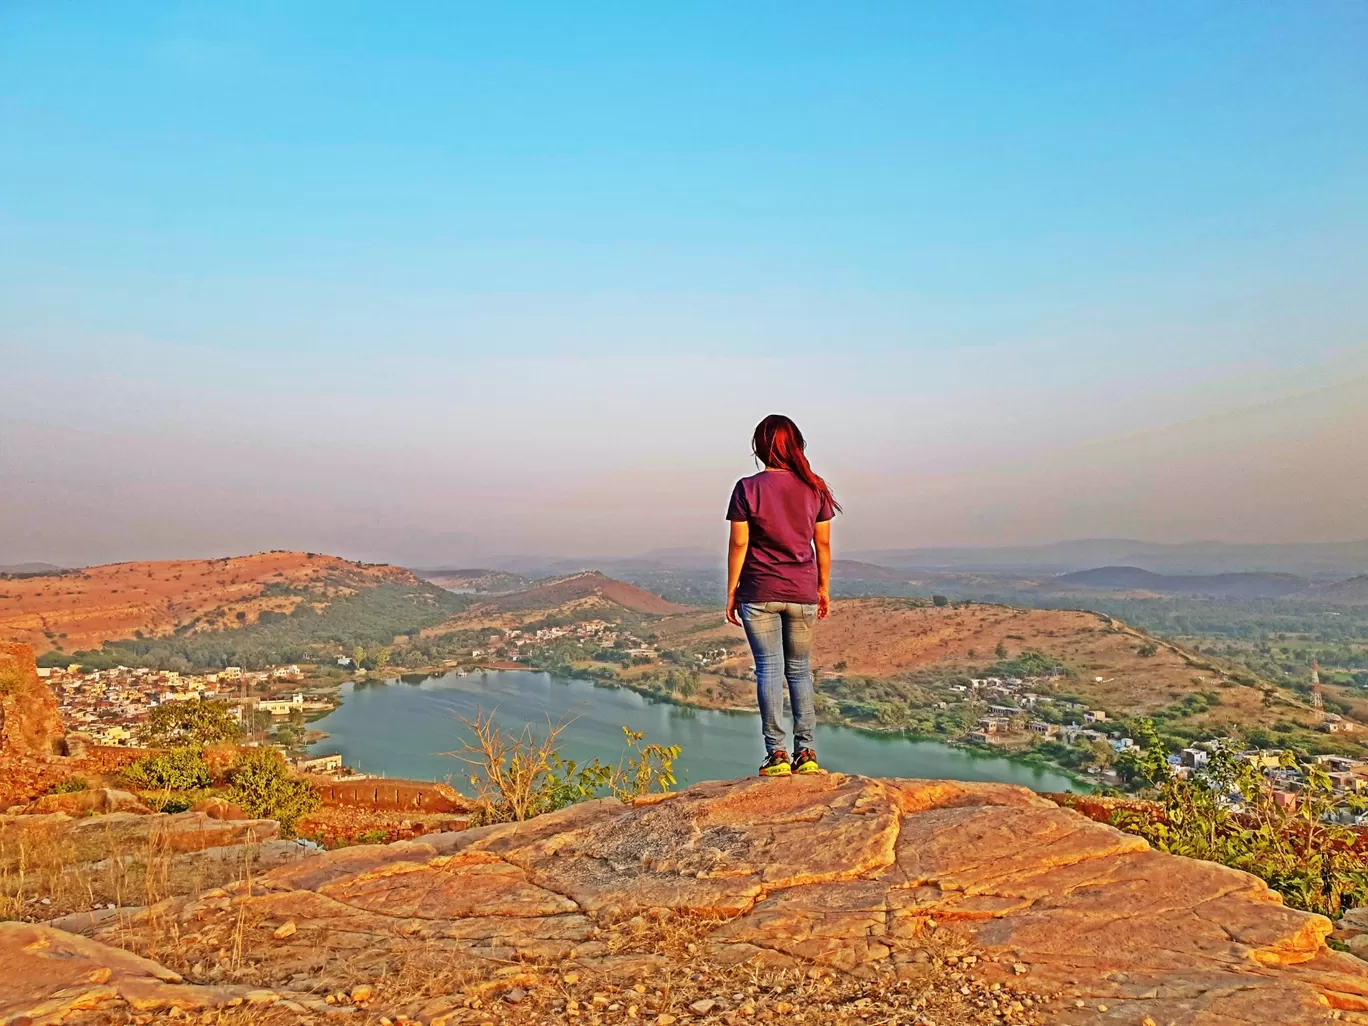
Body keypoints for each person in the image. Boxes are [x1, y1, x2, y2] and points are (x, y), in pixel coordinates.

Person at [725, 414, 839, 776]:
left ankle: (776, 754)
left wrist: (731, 592)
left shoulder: (747, 488)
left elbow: (740, 542)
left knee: (769, 671)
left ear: (760, 447)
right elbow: (822, 543)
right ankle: (806, 754)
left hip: (758, 591)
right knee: (800, 672)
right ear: (797, 445)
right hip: (802, 591)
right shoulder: (815, 488)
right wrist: (822, 589)